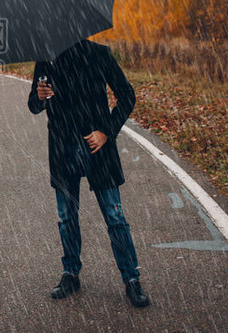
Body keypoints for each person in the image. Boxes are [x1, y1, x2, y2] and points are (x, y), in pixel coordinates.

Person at [28, 39, 149, 307]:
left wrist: (106, 131)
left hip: (97, 148)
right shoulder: (45, 58)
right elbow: (34, 106)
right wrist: (39, 96)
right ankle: (71, 273)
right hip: (62, 149)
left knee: (114, 216)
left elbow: (127, 95)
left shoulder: (98, 54)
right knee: (66, 216)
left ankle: (131, 279)